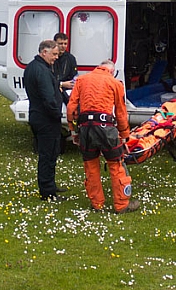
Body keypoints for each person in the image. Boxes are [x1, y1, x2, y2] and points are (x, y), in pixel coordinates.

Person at [67, 60, 141, 214]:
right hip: (106, 129)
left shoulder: (81, 80)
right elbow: (121, 113)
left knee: (91, 167)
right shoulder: (115, 83)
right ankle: (121, 205)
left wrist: (74, 132)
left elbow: (71, 109)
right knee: (116, 165)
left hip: (85, 130)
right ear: (112, 71)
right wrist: (125, 136)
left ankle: (97, 204)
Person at [23, 39, 67, 201]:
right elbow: (48, 97)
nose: (56, 57)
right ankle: (47, 191)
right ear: (44, 52)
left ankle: (50, 184)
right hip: (46, 119)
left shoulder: (32, 67)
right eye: (54, 54)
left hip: (38, 115)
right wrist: (56, 114)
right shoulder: (41, 71)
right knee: (48, 154)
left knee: (51, 153)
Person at [52, 32, 78, 103]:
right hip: (52, 89)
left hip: (66, 90)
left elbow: (74, 76)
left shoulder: (71, 58)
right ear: (55, 43)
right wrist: (60, 84)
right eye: (60, 44)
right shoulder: (50, 57)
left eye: (65, 44)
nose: (63, 46)